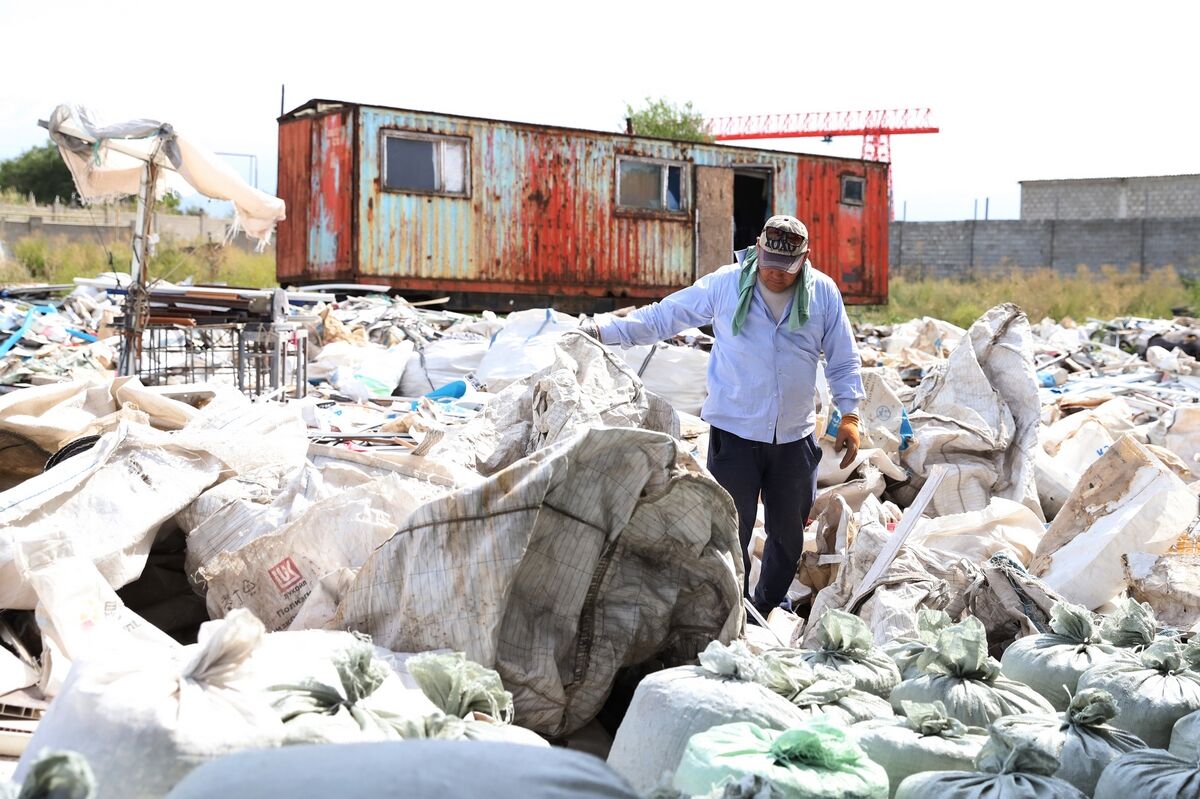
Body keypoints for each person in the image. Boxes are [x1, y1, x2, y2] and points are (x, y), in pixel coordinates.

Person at [581, 215, 864, 618]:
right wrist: (602, 330)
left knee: (788, 535)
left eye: (786, 268)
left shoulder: (823, 294)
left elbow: (843, 358)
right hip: (735, 434)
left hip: (794, 439)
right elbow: (663, 318)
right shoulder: (725, 284)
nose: (774, 274)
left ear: (804, 260)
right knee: (731, 530)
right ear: (757, 249)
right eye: (768, 263)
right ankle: (730, 607)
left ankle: (768, 606)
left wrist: (850, 414)